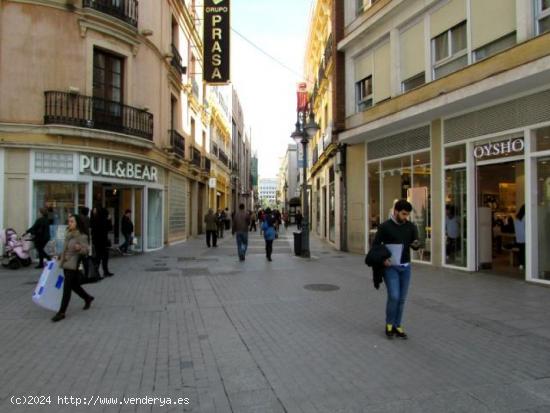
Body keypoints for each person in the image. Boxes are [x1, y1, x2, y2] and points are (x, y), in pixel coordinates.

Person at [373, 199, 420, 339]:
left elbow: (414, 244)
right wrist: (383, 259)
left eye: (407, 215)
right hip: (390, 267)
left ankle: (397, 325)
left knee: (402, 298)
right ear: (395, 211)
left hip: (405, 267)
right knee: (394, 296)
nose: (406, 217)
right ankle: (389, 324)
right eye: (404, 214)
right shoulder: (385, 227)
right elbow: (375, 246)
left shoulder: (411, 227)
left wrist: (416, 244)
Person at [51, 214, 94, 322]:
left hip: (73, 265)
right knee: (74, 286)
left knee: (67, 289)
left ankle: (61, 312)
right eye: (69, 221)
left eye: (72, 222)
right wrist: (59, 256)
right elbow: (66, 250)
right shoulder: (69, 234)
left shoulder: (81, 236)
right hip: (66, 263)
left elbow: (86, 250)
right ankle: (87, 298)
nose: (69, 223)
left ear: (77, 223)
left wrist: (80, 248)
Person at [90, 205, 113, 277]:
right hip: (102, 242)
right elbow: (109, 228)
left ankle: (98, 272)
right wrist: (109, 220)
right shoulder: (103, 221)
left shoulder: (94, 219)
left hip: (96, 241)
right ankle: (103, 271)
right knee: (103, 257)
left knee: (98, 257)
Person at [514, 205, 526, 270]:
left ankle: (521, 264)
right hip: (525, 238)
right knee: (524, 252)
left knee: (521, 251)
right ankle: (524, 264)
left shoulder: (516, 218)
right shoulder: (525, 217)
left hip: (519, 238)